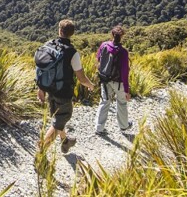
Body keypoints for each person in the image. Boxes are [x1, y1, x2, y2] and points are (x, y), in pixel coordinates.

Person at [37, 19, 96, 153]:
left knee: (59, 119)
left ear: (59, 30)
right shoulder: (72, 52)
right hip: (63, 93)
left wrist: (41, 89)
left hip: (50, 89)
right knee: (59, 122)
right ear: (72, 33)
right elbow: (81, 78)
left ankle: (65, 142)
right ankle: (41, 151)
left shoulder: (48, 46)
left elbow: (42, 69)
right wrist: (91, 85)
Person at [94, 25, 132, 135]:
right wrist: (127, 90)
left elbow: (98, 60)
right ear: (122, 37)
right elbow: (125, 72)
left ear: (112, 35)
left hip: (105, 80)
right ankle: (124, 126)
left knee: (104, 102)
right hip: (119, 82)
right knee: (121, 103)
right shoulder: (123, 52)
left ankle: (99, 128)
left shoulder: (103, 45)